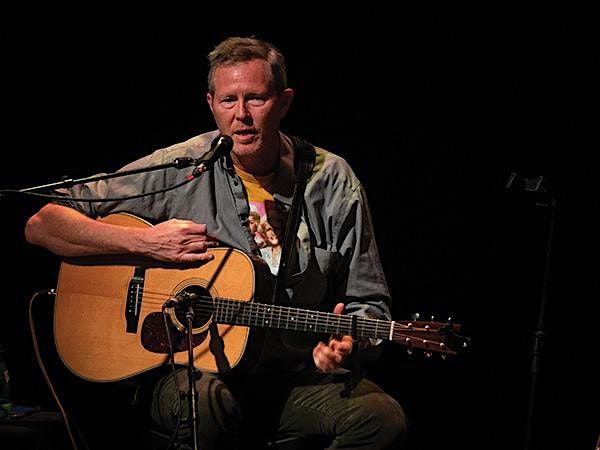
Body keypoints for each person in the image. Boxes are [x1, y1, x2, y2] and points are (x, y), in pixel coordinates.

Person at [24, 36, 408, 449]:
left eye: (256, 99)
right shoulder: (182, 166)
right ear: (211, 104)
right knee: (206, 404)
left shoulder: (331, 181)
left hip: (295, 379)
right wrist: (146, 243)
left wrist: (347, 345)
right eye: (228, 101)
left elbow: (369, 304)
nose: (241, 115)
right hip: (198, 375)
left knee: (381, 420)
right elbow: (44, 223)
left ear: (284, 102)